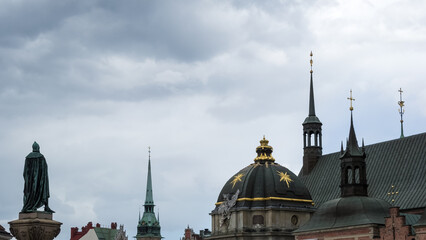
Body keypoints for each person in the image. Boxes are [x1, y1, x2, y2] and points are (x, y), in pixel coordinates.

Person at [21, 142, 54, 213]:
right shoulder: (41, 157)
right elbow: (44, 170)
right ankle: (46, 206)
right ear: (38, 148)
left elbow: (25, 171)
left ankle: (30, 206)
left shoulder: (28, 158)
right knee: (42, 191)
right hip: (40, 179)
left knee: (29, 192)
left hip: (29, 180)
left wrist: (27, 179)